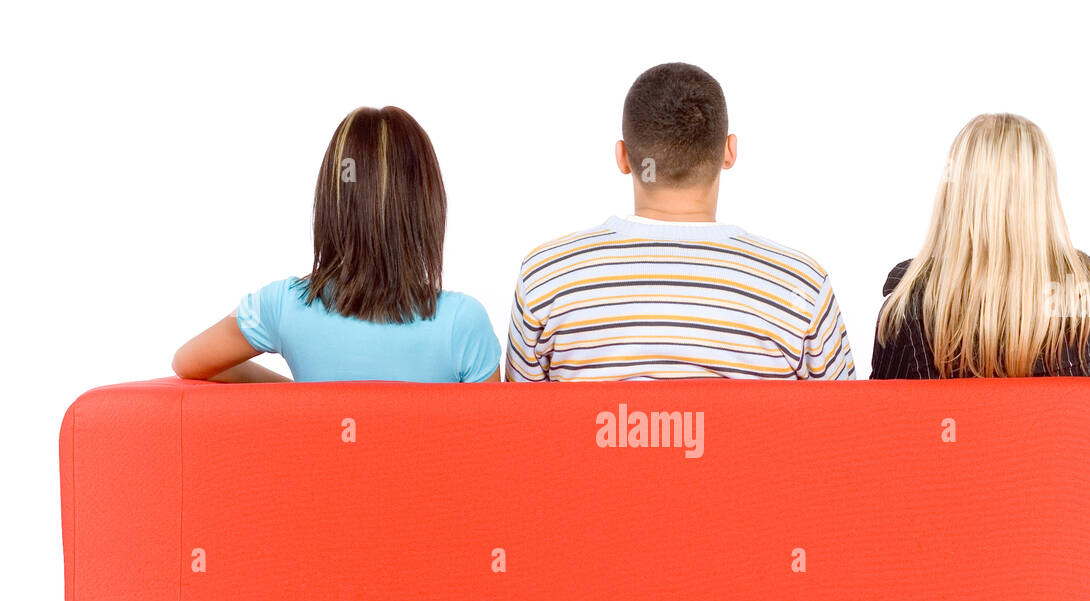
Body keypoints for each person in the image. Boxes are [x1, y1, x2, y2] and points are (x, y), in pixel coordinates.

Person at [505, 62, 855, 382]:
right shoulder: (801, 287)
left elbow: (521, 433)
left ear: (623, 157)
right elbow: (843, 431)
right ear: (729, 152)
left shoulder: (546, 278)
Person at [173, 106, 500, 383]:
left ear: (332, 201)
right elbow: (492, 442)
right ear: (428, 205)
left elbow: (188, 362)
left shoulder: (281, 305)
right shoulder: (465, 323)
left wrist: (307, 401)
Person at [872, 113, 1090, 379]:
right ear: (1041, 193)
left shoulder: (908, 297)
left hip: (946, 442)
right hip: (1058, 446)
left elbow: (883, 417)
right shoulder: (1084, 287)